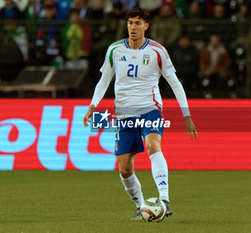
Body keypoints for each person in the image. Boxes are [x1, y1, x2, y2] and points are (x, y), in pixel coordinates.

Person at [82, 7, 197, 220]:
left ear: (146, 26)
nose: (133, 27)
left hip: (149, 109)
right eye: (130, 23)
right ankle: (141, 205)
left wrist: (186, 115)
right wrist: (93, 105)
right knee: (125, 169)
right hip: (124, 114)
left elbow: (174, 82)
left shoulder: (157, 51)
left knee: (153, 145)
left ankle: (164, 199)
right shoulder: (114, 50)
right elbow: (104, 80)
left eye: (137, 23)